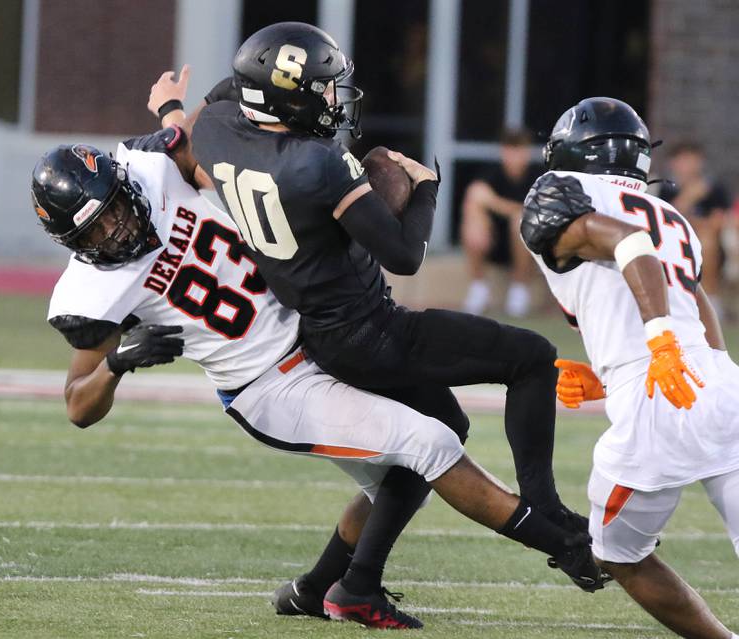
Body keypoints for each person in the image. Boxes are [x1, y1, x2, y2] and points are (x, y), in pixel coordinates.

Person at [32, 131, 603, 630]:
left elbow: (213, 156)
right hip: (269, 386)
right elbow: (78, 406)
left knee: (423, 447)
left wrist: (182, 117)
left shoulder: (151, 168)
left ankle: (326, 588)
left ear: (122, 184)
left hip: (319, 331)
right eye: (94, 233)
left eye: (112, 211)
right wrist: (118, 362)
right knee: (429, 444)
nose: (114, 231)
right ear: (71, 245)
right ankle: (567, 547)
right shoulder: (91, 294)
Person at [147, 21, 603, 627]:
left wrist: (174, 110)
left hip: (323, 333)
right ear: (290, 97)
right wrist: (427, 190)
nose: (336, 100)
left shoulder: (215, 131)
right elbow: (405, 255)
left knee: (442, 427)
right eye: (326, 89)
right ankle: (547, 512)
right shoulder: (317, 165)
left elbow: (226, 94)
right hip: (373, 333)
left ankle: (342, 585)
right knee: (530, 356)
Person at [521, 96, 739, 639]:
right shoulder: (673, 215)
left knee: (618, 555)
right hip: (719, 386)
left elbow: (628, 243)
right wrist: (623, 366)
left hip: (656, 400)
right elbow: (694, 299)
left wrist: (656, 349)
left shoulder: (561, 193)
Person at [461, 128, 540, 317]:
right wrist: (514, 209)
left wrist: (500, 206)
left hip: (527, 247)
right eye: (510, 150)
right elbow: (476, 194)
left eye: (519, 150)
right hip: (494, 242)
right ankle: (479, 287)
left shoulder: (538, 176)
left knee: (519, 222)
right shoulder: (492, 172)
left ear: (527, 152)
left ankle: (519, 289)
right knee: (473, 217)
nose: (514, 156)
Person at [656, 142, 732, 320]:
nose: (687, 165)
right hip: (671, 240)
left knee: (706, 241)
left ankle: (711, 301)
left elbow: (717, 222)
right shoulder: (664, 188)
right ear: (673, 163)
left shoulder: (714, 188)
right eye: (682, 160)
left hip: (709, 243)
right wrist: (689, 197)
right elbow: (663, 219)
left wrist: (692, 222)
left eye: (691, 159)